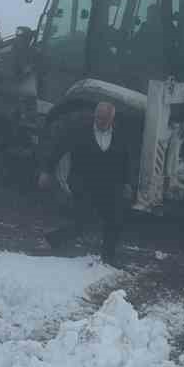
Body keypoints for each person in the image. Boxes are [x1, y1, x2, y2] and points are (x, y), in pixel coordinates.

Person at [39, 100, 131, 266]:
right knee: (83, 222)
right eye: (97, 117)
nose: (99, 121)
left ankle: (108, 257)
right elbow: (59, 148)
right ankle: (52, 239)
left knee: (115, 220)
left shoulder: (121, 135)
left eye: (103, 119)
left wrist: (126, 183)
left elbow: (125, 161)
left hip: (109, 184)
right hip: (82, 182)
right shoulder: (80, 131)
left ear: (111, 119)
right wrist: (47, 171)